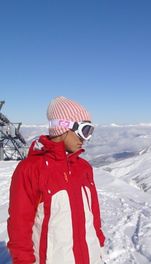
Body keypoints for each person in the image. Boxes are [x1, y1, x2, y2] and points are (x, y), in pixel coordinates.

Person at [7, 96, 105, 263]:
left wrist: (99, 244)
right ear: (63, 127)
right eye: (84, 130)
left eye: (90, 131)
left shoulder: (83, 168)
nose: (85, 138)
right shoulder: (31, 169)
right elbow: (19, 225)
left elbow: (93, 213)